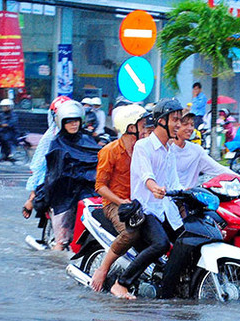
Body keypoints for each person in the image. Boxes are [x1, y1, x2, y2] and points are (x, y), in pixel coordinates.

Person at [111, 98, 184, 300]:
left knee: (187, 239)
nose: (179, 124)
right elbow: (146, 177)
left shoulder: (170, 150)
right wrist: (154, 188)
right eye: (175, 119)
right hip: (145, 211)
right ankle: (121, 283)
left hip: (165, 211)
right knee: (160, 244)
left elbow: (175, 183)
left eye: (180, 120)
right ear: (161, 121)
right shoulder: (143, 146)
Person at [89, 103, 148, 291]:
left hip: (139, 202)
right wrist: (121, 201)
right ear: (131, 128)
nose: (146, 127)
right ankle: (103, 269)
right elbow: (100, 186)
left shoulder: (142, 149)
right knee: (131, 233)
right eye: (142, 124)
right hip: (115, 205)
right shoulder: (110, 151)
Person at [32, 100, 100, 250]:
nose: (73, 125)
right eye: (69, 122)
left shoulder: (87, 139)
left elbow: (97, 160)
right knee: (62, 239)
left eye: (76, 121)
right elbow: (54, 173)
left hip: (86, 189)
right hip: (64, 193)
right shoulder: (56, 143)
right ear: (62, 123)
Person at [23, 96, 70, 220]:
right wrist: (31, 197)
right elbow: (39, 166)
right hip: (53, 184)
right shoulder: (50, 138)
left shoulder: (81, 137)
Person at [172, 112, 234, 188]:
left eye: (192, 125)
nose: (190, 128)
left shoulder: (196, 150)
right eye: (185, 124)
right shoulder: (166, 149)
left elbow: (217, 169)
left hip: (188, 196)